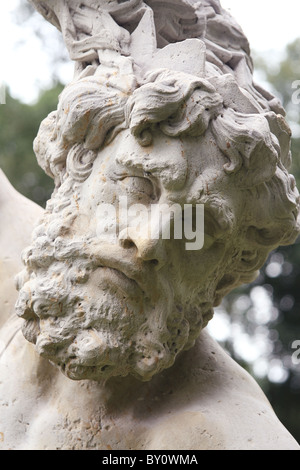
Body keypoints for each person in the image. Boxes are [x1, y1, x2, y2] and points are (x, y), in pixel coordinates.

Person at [0, 0, 299, 450]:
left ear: (224, 273)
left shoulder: (232, 438)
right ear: (80, 159)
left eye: (201, 230)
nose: (150, 242)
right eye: (140, 184)